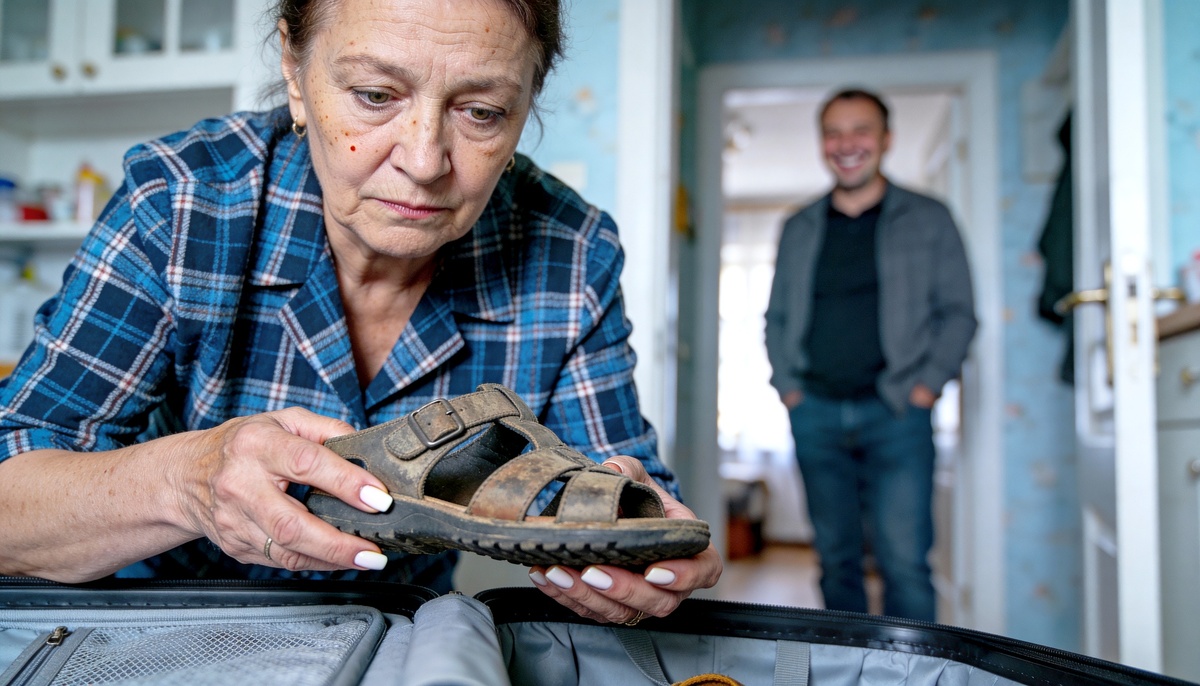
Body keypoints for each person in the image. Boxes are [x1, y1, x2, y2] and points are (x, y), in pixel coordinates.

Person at [0, 0, 720, 626]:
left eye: (482, 112)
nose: (424, 159)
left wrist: (653, 556)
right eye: (376, 95)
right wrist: (187, 482)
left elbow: (622, 492)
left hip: (397, 633)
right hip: (156, 630)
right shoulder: (183, 205)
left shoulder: (571, 254)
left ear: (528, 105)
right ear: (295, 70)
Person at [763, 88, 976, 622]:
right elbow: (777, 319)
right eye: (834, 132)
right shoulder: (799, 226)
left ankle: (916, 679)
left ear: (886, 140)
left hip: (897, 413)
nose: (847, 144)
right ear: (822, 144)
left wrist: (925, 388)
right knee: (836, 562)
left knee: (905, 563)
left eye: (860, 130)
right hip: (815, 412)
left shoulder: (929, 217)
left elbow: (959, 314)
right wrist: (790, 389)